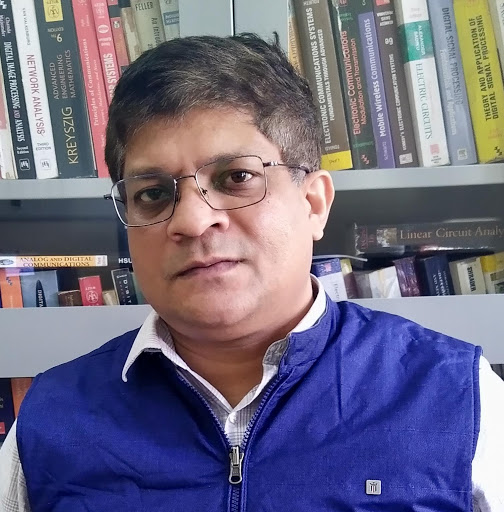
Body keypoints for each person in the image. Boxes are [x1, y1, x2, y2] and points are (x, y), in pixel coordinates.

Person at [1, 33, 503, 512]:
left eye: (236, 177)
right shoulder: (52, 421)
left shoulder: (454, 394)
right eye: (152, 193)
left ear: (313, 203)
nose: (192, 220)